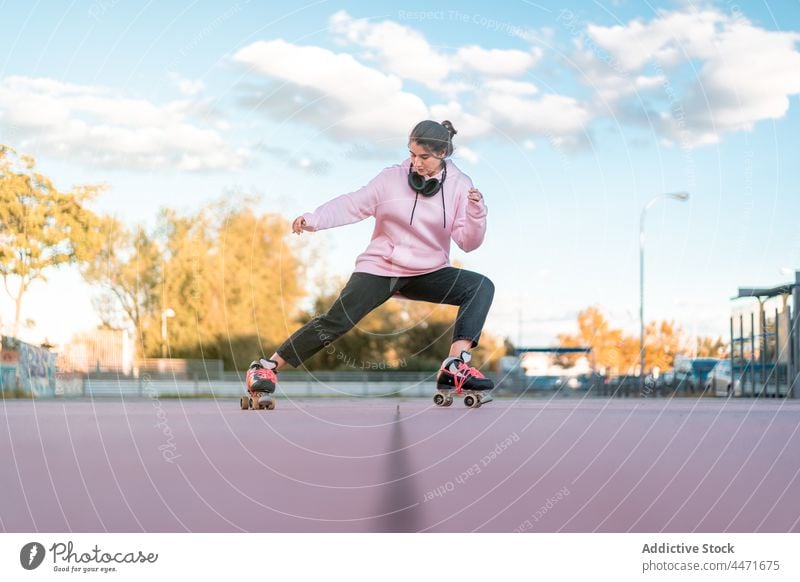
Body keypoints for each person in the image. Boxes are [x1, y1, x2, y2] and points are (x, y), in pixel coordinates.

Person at [246, 120, 495, 401]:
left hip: (427, 271)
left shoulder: (461, 186)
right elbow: (353, 204)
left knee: (480, 286)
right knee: (336, 320)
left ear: (442, 154)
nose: (416, 163)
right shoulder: (391, 179)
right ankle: (266, 367)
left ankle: (455, 365)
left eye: (424, 157)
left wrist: (476, 213)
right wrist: (314, 219)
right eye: (412, 155)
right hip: (381, 267)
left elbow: (468, 243)